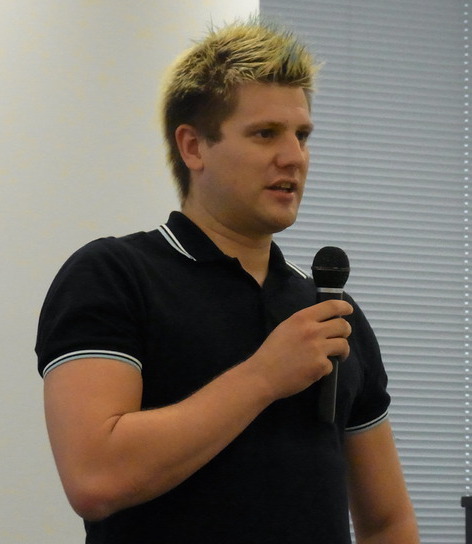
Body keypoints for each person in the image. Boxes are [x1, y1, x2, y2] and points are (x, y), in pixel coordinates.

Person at [35, 18, 419, 544]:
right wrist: (263, 376)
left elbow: (387, 522)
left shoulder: (329, 309)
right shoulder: (114, 275)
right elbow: (95, 477)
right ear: (193, 147)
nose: (294, 157)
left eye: (302, 135)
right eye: (265, 133)